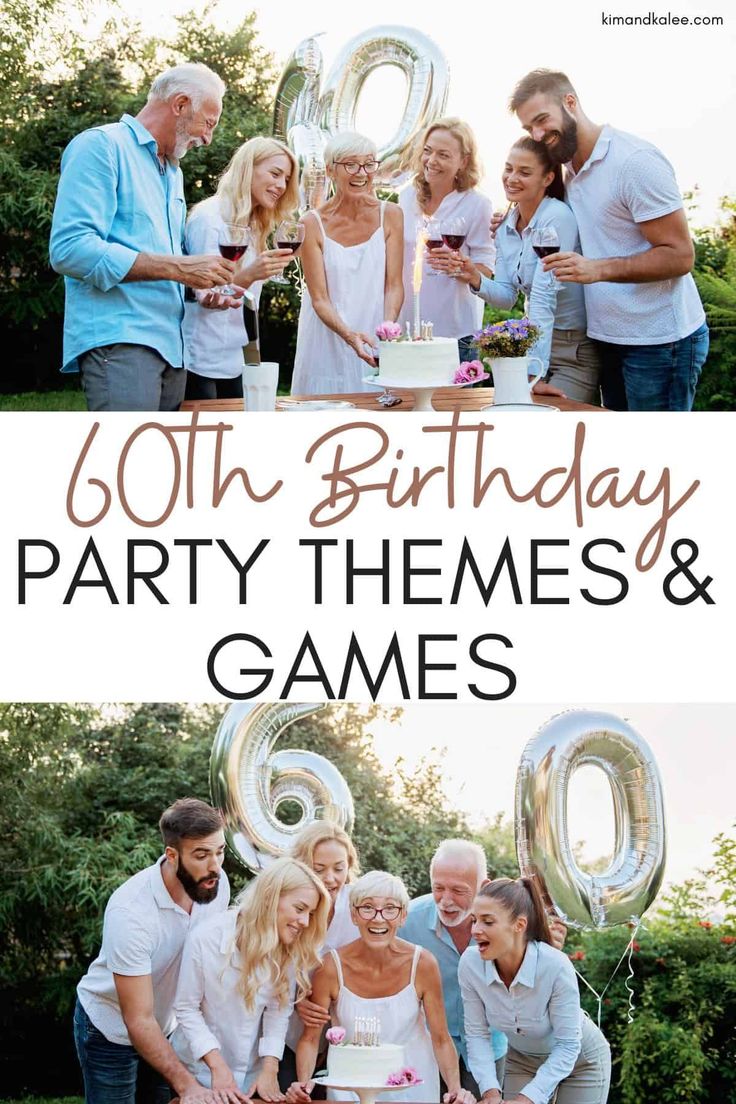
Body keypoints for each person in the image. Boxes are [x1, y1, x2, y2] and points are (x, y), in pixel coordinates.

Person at [509, 69, 708, 411]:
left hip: (660, 343)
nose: (538, 135)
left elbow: (679, 256)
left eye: (542, 120)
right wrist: (513, 217)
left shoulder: (634, 162)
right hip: (607, 339)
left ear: (570, 102)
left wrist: (596, 269)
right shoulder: (568, 170)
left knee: (658, 456)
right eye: (529, 128)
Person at [50, 63, 242, 412]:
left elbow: (166, 263)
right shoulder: (102, 146)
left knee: (164, 465)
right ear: (180, 104)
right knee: (129, 462)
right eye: (209, 123)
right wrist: (180, 269)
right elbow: (70, 248)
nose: (208, 138)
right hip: (123, 341)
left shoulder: (172, 171)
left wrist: (199, 289)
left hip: (173, 347)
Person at [73, 798, 230, 1104]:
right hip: (111, 1029)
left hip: (164, 1028)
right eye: (201, 855)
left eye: (220, 852)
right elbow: (138, 1020)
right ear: (172, 855)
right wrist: (187, 1086)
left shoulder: (215, 884)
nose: (215, 866)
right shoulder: (131, 912)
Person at [286, 871, 474, 1104]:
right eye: (367, 907)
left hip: (413, 1086)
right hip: (350, 1088)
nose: (378, 918)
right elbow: (311, 1038)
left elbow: (441, 1038)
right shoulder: (330, 968)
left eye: (390, 908)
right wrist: (304, 1083)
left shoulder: (423, 964)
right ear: (354, 915)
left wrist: (455, 1089)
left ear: (403, 916)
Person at [452, 138, 600, 404]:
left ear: (547, 178)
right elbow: (508, 297)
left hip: (573, 352)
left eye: (524, 172)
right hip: (534, 347)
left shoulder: (557, 218)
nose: (511, 178)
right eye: (508, 169)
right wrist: (475, 277)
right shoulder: (507, 226)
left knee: (544, 419)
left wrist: (534, 374)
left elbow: (543, 298)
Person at [171, 857, 331, 1102]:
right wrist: (217, 1066)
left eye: (310, 913)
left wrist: (270, 1068)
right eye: (300, 909)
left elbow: (278, 1010)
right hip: (198, 1072)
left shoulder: (288, 946)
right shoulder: (206, 938)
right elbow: (186, 1008)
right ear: (270, 897)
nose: (306, 922)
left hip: (252, 1075)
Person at [459, 878, 611, 1104]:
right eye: (474, 921)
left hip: (581, 1060)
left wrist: (527, 1099)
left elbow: (568, 1045)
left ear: (519, 925)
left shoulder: (555, 966)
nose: (475, 931)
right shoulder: (470, 964)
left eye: (487, 922)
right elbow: (477, 1035)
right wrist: (490, 1093)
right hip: (522, 1060)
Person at [183, 137, 300, 400]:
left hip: (236, 358)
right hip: (200, 359)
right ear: (248, 168)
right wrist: (253, 273)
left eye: (286, 179)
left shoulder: (256, 224)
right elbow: (207, 294)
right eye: (275, 174)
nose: (281, 185)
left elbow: (244, 294)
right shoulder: (209, 217)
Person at [291, 132, 404, 395]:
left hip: (373, 337)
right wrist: (349, 335)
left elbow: (394, 285)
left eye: (368, 164)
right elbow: (319, 298)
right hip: (326, 337)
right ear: (331, 170)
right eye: (351, 165)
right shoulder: (310, 223)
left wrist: (386, 331)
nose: (361, 173)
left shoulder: (392, 215)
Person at [398, 118, 494, 361]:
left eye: (443, 155)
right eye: (428, 151)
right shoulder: (406, 197)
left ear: (463, 161)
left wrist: (461, 268)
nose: (431, 161)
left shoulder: (478, 205)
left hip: (455, 334)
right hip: (408, 330)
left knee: (452, 401)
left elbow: (487, 271)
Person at [278, 823, 362, 1090]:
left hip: (343, 1037)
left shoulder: (358, 907)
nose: (330, 879)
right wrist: (294, 1000)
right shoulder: (287, 906)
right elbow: (268, 966)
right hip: (284, 1035)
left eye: (338, 868)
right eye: (319, 869)